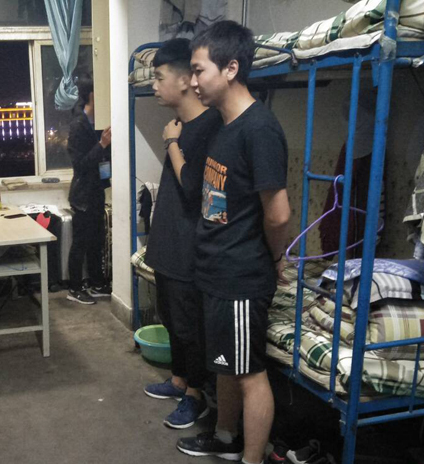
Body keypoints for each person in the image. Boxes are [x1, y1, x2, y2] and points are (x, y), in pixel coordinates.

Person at [178, 21, 290, 464]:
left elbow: (278, 213)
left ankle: (252, 458)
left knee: (249, 373)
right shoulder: (224, 125)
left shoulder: (258, 129)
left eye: (198, 70)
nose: (192, 81)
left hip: (241, 275)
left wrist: (275, 256)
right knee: (226, 363)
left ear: (230, 69)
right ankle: (226, 437)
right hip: (216, 270)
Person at [142, 38, 221, 430]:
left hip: (189, 248)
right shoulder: (181, 125)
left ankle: (196, 396)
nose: (154, 85)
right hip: (167, 246)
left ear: (187, 78)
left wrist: (172, 143)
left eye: (159, 77)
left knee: (190, 328)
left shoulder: (209, 127)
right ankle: (178, 380)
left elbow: (193, 189)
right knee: (172, 319)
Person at [66, 73, 112, 305]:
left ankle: (97, 283)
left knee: (97, 242)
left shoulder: (98, 121)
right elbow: (81, 165)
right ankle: (74, 288)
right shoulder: (78, 125)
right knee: (80, 244)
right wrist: (102, 144)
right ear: (91, 95)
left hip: (96, 193)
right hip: (82, 195)